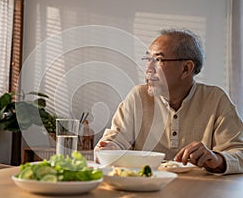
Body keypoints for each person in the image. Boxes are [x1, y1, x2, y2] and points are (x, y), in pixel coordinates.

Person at [94, 28, 243, 174]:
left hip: (199, 190)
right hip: (146, 188)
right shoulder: (138, 97)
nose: (148, 69)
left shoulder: (216, 99)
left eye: (158, 60)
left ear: (186, 68)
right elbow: (115, 141)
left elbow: (239, 153)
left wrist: (218, 159)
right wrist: (109, 149)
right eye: (148, 60)